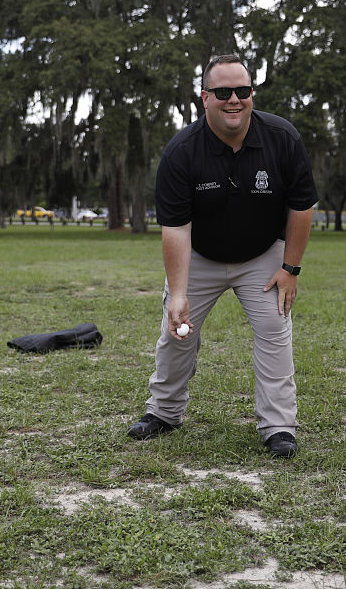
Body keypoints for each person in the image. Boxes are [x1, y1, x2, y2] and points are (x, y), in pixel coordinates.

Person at [127, 54, 319, 458]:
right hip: (200, 257)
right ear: (204, 98)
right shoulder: (181, 151)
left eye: (243, 91)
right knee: (177, 332)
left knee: (273, 327)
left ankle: (279, 427)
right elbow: (176, 228)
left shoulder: (282, 138)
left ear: (252, 93)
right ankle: (163, 412)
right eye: (223, 92)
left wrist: (290, 268)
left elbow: (302, 207)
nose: (234, 99)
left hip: (263, 255)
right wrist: (178, 294)